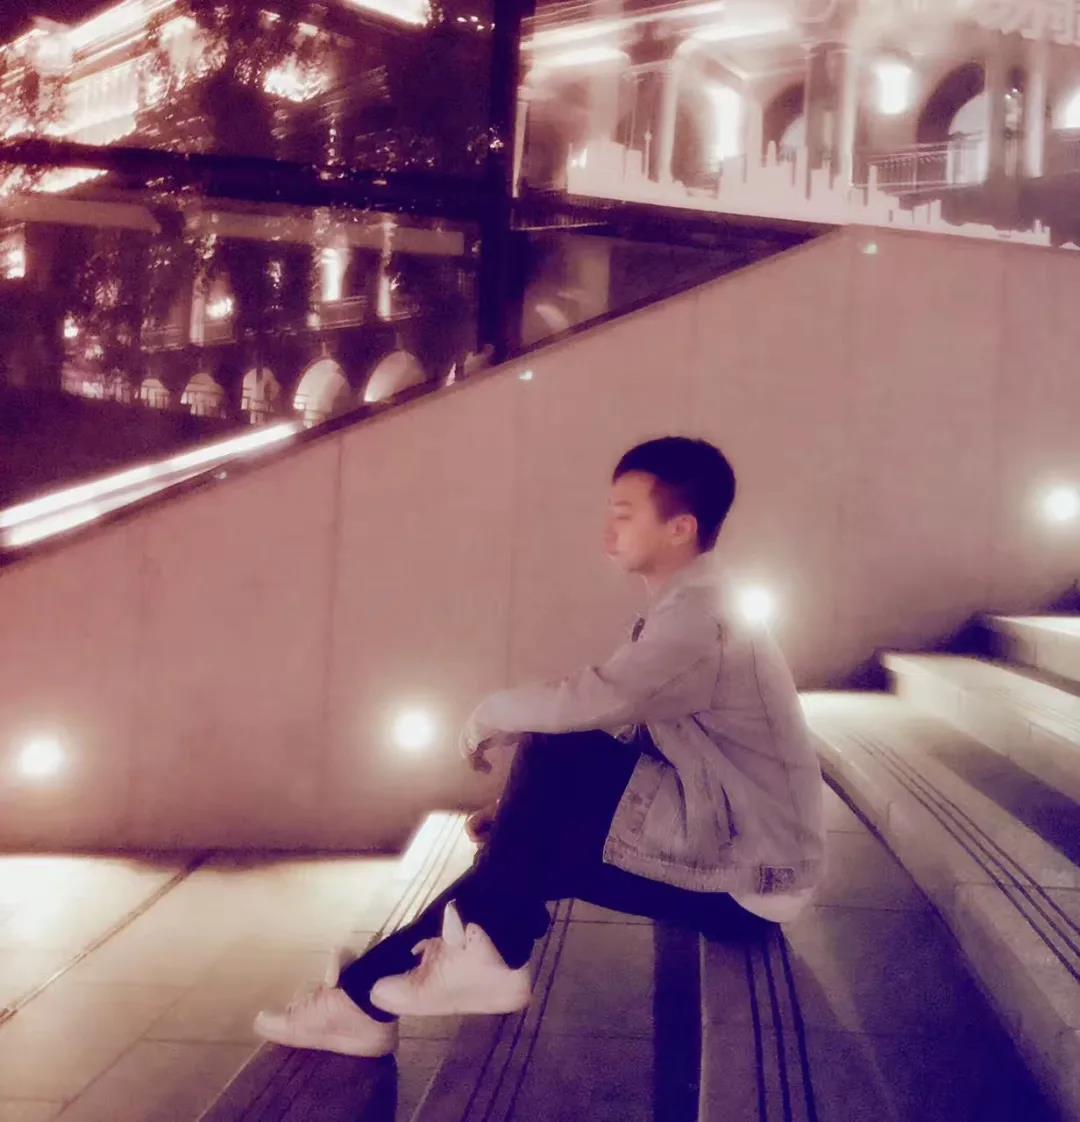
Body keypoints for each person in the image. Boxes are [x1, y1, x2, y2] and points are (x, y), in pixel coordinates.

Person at [253, 436, 826, 1057]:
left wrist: (489, 715)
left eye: (624, 514)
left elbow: (601, 698)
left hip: (752, 882)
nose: (608, 530)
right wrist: (519, 809)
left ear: (680, 528)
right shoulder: (694, 605)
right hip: (736, 849)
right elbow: (629, 727)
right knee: (517, 853)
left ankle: (376, 995)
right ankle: (367, 997)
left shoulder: (699, 619)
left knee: (545, 777)